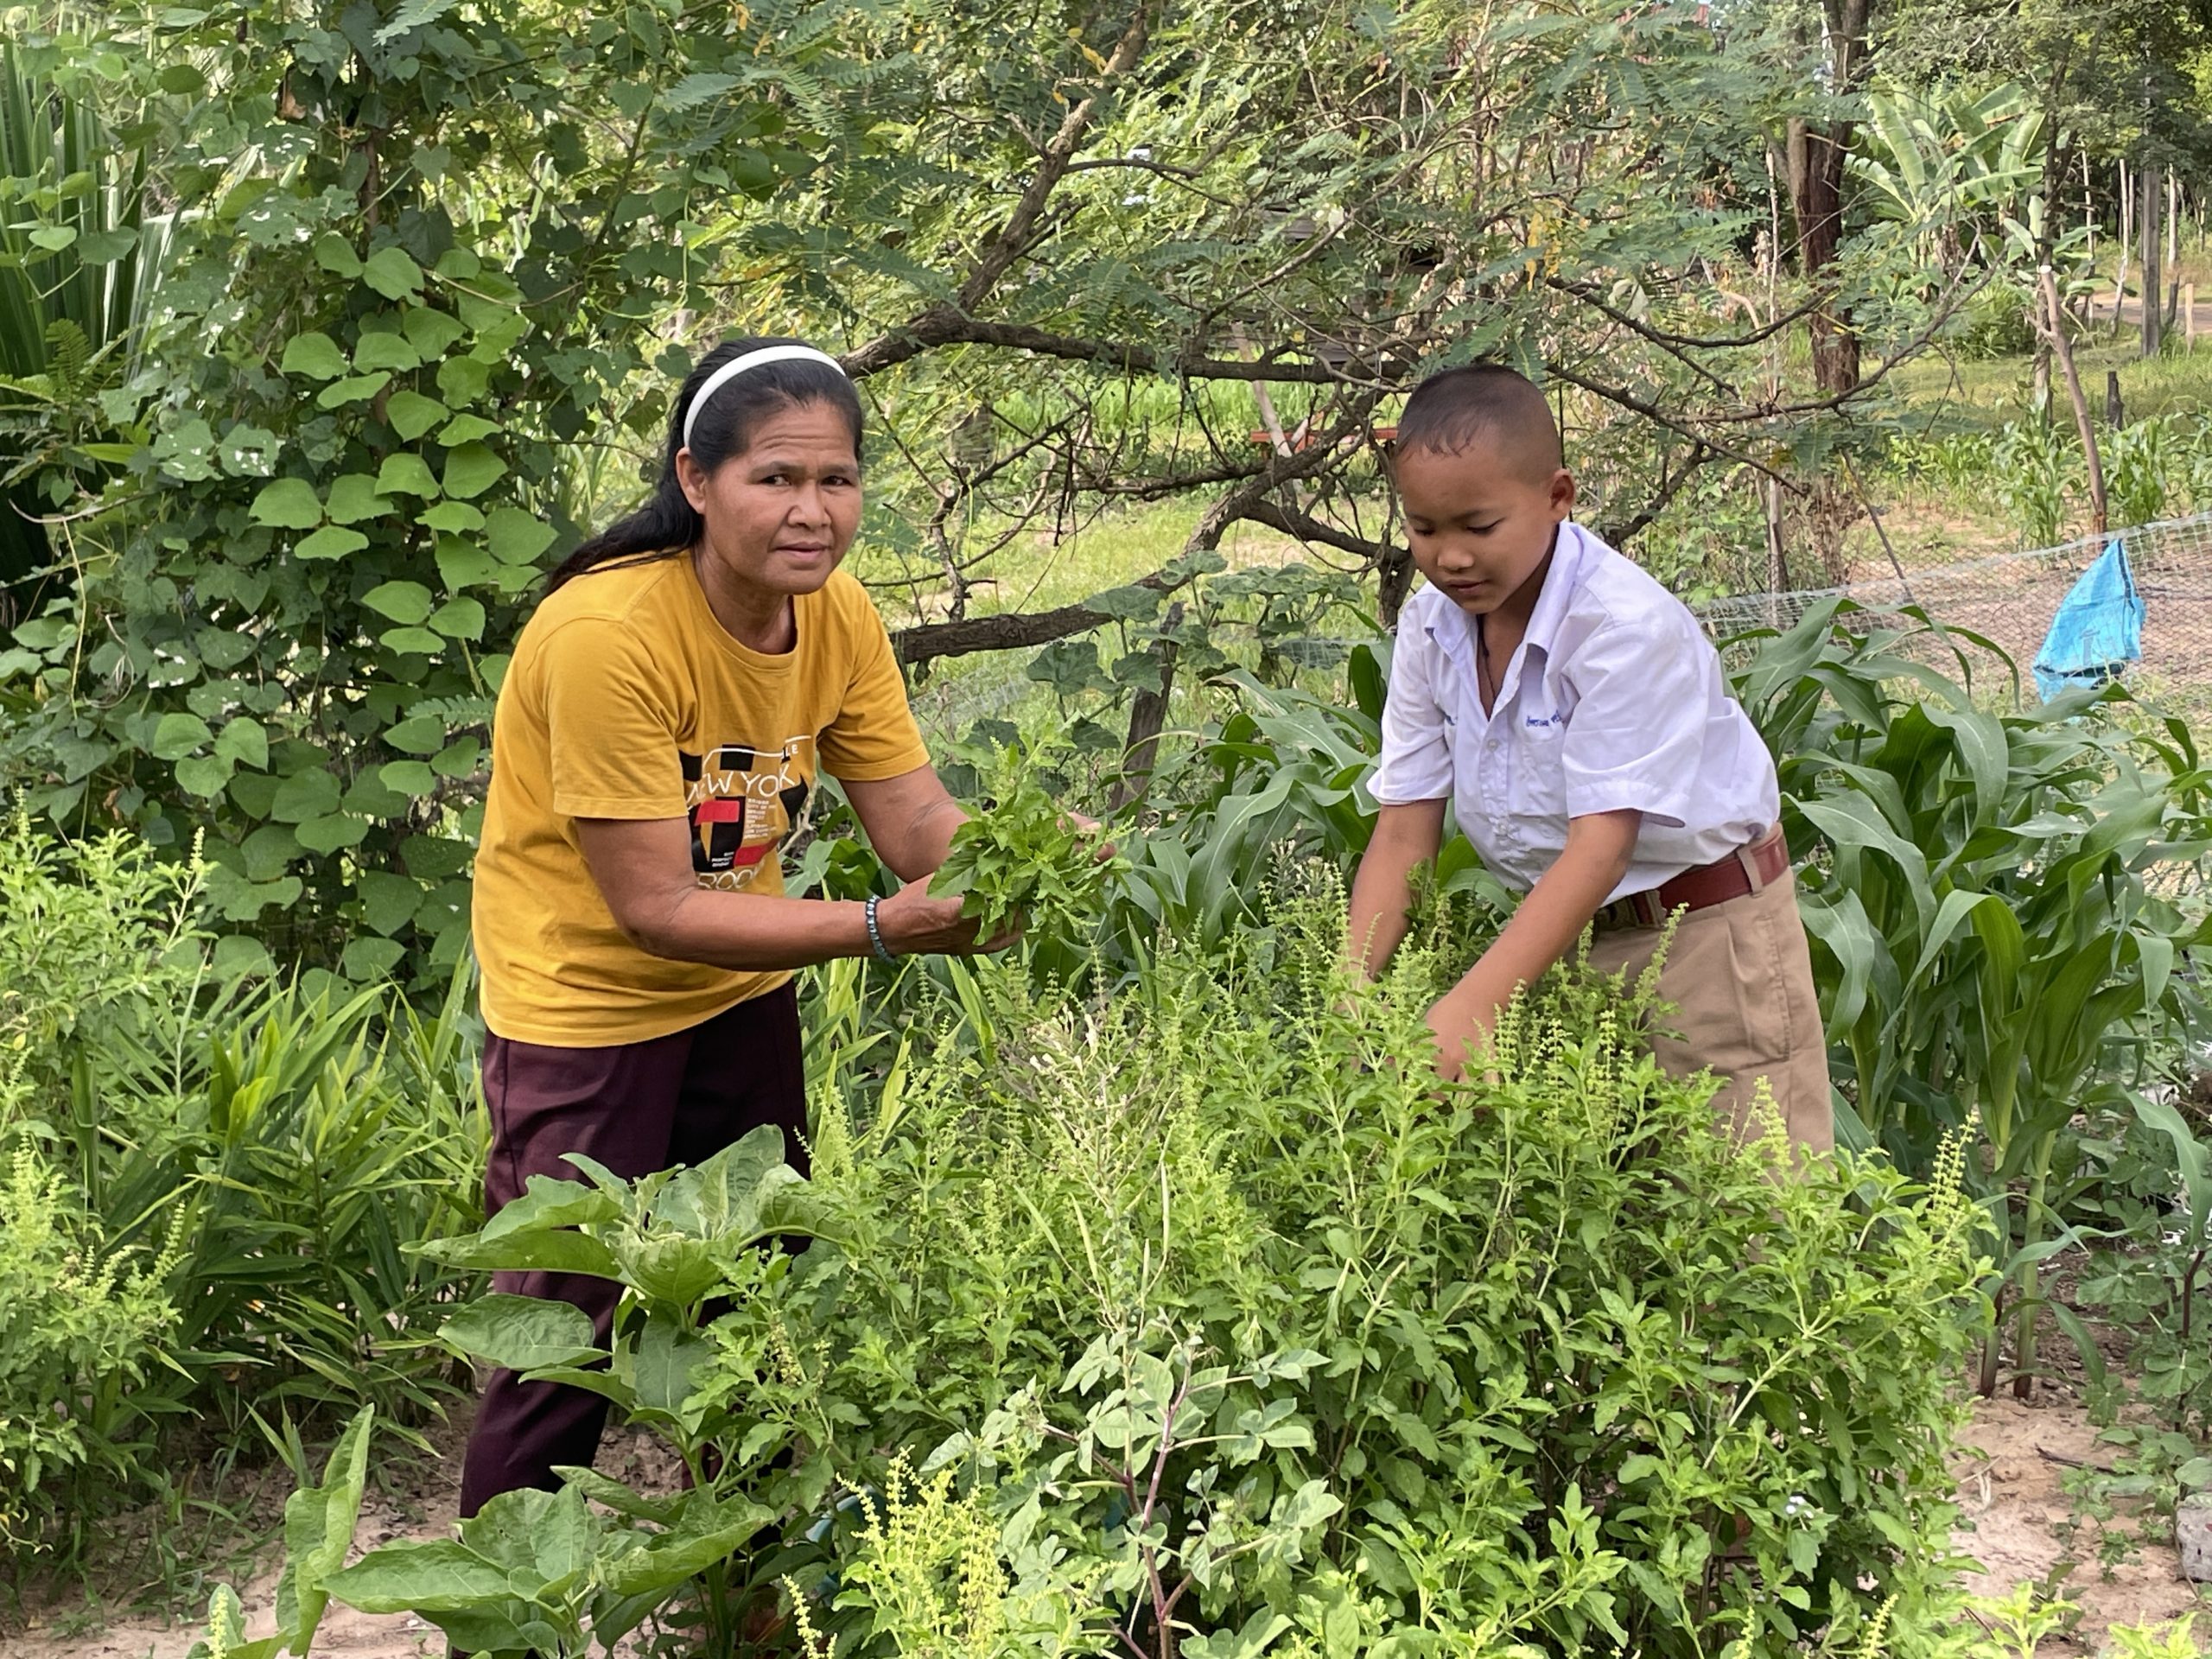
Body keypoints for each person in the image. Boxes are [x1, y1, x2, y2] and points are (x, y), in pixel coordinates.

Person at [461, 337, 1010, 1516]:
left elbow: (917, 820)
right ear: (696, 480)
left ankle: (754, 1604)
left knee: (761, 1310)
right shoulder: (607, 636)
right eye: (776, 479)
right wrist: (881, 925)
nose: (813, 512)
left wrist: (1028, 862)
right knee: (566, 1334)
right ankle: (496, 1622)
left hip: (738, 991)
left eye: (838, 480)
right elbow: (655, 908)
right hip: (584, 1011)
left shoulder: (837, 616)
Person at [1346, 364, 1831, 1154]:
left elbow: (1602, 847)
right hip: (1562, 940)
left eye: (1479, 525)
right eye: (1424, 529)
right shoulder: (1430, 629)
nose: (1450, 557)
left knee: (1749, 1225)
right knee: (1600, 1224)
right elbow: (1405, 832)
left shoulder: (1621, 628)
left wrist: (1477, 1007)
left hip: (1707, 943)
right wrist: (1348, 998)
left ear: (1558, 497)